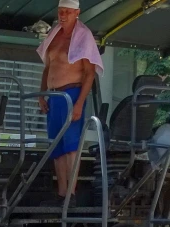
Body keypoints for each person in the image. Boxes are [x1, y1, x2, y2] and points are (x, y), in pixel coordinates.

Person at [36, 0, 103, 205]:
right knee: (56, 145)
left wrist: (79, 103)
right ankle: (61, 192)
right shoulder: (54, 34)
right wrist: (41, 94)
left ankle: (71, 193)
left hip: (72, 93)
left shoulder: (83, 36)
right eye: (60, 11)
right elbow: (48, 67)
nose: (62, 15)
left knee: (71, 145)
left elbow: (89, 73)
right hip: (54, 96)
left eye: (67, 12)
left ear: (77, 13)